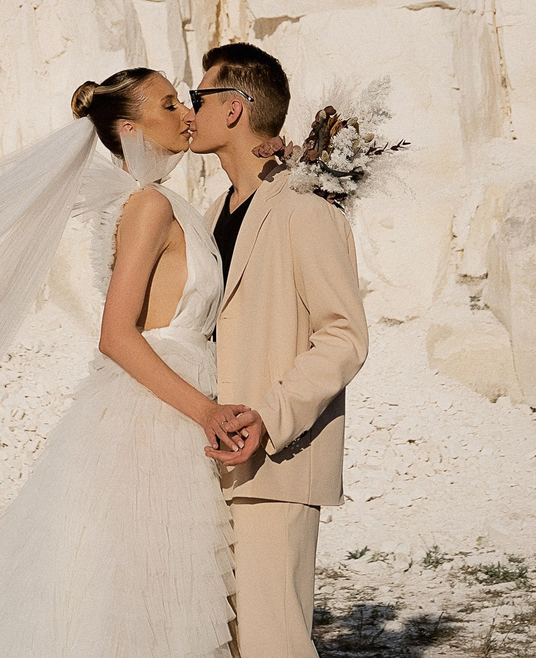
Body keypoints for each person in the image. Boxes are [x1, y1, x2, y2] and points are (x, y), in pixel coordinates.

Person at [0, 66, 263, 657]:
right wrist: (206, 412)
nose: (187, 113)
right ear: (131, 128)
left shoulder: (165, 201)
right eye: (170, 105)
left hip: (169, 401)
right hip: (156, 415)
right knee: (138, 590)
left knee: (147, 587)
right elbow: (116, 335)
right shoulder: (147, 206)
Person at [186, 42, 369, 658]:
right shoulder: (214, 212)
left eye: (199, 97)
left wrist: (270, 414)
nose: (190, 112)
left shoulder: (306, 209)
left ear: (234, 108)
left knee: (273, 646)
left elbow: (344, 335)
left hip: (276, 466)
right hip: (210, 460)